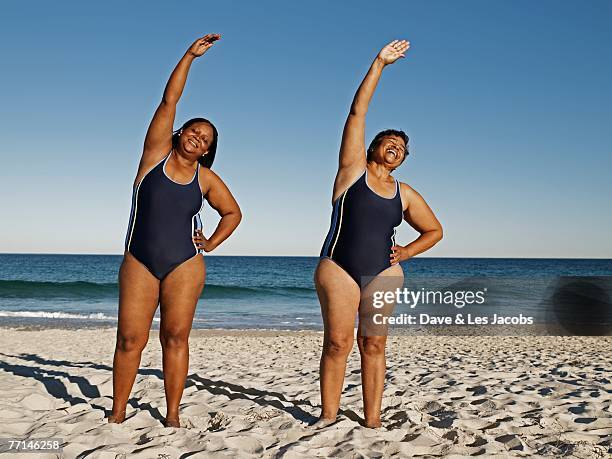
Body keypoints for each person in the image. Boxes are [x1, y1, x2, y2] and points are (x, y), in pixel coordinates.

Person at [108, 34, 242, 427]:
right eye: (193, 131)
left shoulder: (207, 179)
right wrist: (189, 57)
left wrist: (211, 242)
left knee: (175, 338)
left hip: (185, 263)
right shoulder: (154, 156)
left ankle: (171, 415)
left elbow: (233, 213)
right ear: (180, 133)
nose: (197, 137)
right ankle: (117, 413)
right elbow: (169, 102)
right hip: (140, 261)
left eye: (205, 139)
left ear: (206, 151)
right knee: (130, 339)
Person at [315, 39, 443, 428]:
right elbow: (358, 111)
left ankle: (372, 421)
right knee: (338, 343)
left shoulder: (406, 193)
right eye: (389, 142)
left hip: (383, 273)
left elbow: (435, 230)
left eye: (401, 147)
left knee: (373, 343)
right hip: (337, 267)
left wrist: (406, 252)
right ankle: (328, 415)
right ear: (373, 148)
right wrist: (379, 64)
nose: (396, 147)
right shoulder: (351, 171)